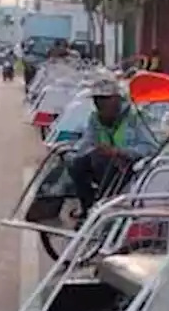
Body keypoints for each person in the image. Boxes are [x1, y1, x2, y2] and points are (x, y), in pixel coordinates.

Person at [66, 77, 157, 217]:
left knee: (105, 162)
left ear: (116, 100)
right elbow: (86, 144)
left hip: (130, 167)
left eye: (104, 100)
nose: (99, 105)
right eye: (97, 101)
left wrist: (121, 152)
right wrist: (90, 151)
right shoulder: (95, 119)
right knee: (76, 164)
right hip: (104, 163)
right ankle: (88, 207)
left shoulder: (135, 117)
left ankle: (104, 207)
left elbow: (150, 148)